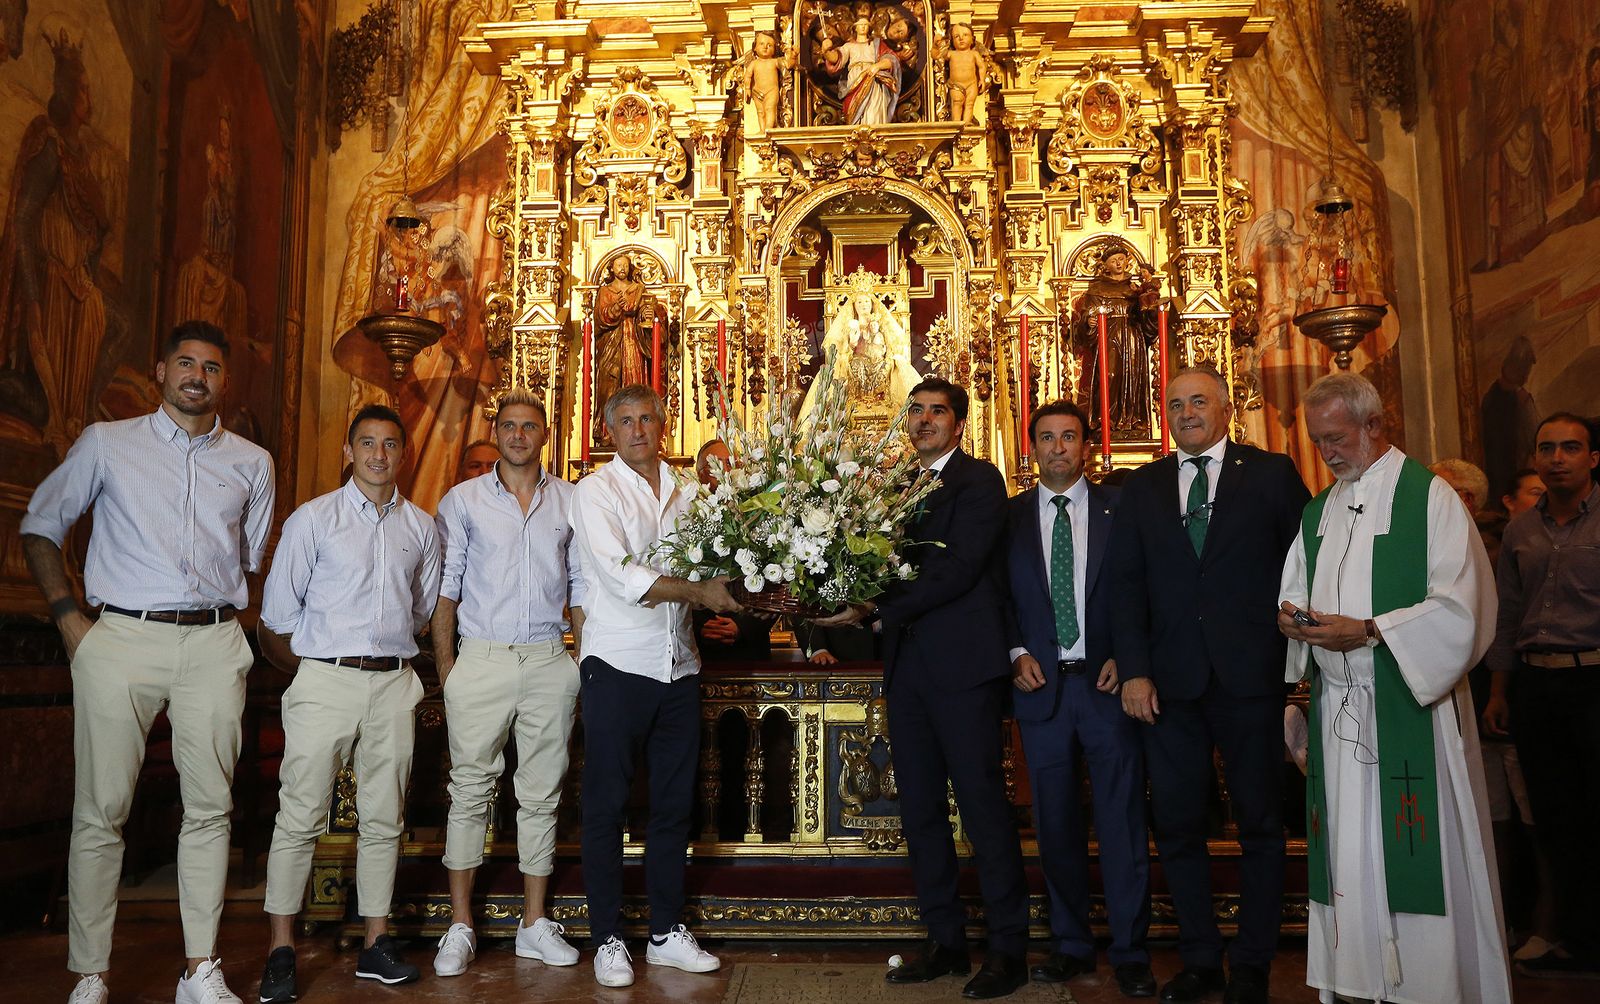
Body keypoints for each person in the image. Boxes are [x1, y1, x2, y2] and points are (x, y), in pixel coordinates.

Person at [21, 321, 274, 1004]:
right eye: (185, 363)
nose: (199, 376)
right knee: (101, 810)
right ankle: (91, 974)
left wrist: (235, 640)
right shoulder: (108, 443)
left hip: (214, 643)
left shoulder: (252, 462)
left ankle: (200, 971)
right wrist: (71, 619)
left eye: (212, 367)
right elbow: (42, 525)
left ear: (226, 379)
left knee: (211, 810)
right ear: (160, 372)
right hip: (121, 640)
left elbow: (250, 560)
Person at [1278, 372, 1510, 1003]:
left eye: (1337, 438)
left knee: (1413, 849)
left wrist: (1374, 630)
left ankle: (1429, 985)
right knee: (1350, 847)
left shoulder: (1430, 499)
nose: (1327, 453)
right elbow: (1294, 588)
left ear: (1375, 426)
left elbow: (1464, 607)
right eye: (1318, 440)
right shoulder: (1318, 510)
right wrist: (1292, 618)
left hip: (1412, 707)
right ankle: (1357, 979)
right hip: (1339, 712)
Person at [817, 377, 1030, 999]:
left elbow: (959, 568)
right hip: (907, 670)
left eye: (938, 411)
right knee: (921, 813)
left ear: (959, 424)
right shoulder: (891, 489)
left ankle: (1008, 950)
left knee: (984, 811)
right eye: (916, 410)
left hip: (964, 669)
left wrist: (877, 611)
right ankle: (945, 942)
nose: (925, 419)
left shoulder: (979, 480)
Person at [1108, 365, 1309, 1004]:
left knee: (1259, 823)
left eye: (1199, 401)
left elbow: (1306, 565)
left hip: (1251, 677)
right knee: (1177, 825)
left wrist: (1298, 663)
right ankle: (1199, 958)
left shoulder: (1272, 475)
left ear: (1226, 409)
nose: (1186, 411)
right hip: (1168, 684)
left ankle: (1251, 960)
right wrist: (1135, 670)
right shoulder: (1142, 487)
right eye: (1175, 403)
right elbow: (1125, 585)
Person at [256, 404, 442, 1001]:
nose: (378, 455)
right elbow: (277, 617)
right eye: (367, 443)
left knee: (384, 817)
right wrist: (320, 670)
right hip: (324, 678)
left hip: (391, 680)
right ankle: (281, 949)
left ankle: (375, 943)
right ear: (348, 450)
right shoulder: (312, 521)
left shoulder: (421, 528)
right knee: (300, 816)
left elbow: (420, 610)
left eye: (390, 445)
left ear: (403, 454)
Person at [569, 385, 740, 988]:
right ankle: (608, 940)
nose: (638, 429)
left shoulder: (690, 492)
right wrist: (700, 592)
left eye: (648, 418)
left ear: (663, 424)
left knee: (673, 807)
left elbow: (719, 558)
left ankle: (666, 933)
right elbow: (621, 576)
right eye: (626, 421)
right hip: (617, 664)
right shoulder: (595, 491)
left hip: (679, 666)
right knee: (607, 806)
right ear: (609, 430)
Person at [428, 391, 586, 977]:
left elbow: (581, 585)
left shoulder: (569, 501)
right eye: (509, 426)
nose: (519, 435)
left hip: (549, 658)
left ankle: (533, 924)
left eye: (530, 426)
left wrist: (581, 661)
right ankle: (460, 925)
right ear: (497, 432)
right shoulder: (463, 500)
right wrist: (448, 669)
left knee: (542, 794)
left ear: (546, 434)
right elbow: (446, 587)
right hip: (482, 658)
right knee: (469, 790)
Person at [1005, 400, 1154, 998]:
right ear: (1032, 447)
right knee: (1054, 825)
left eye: (1069, 437)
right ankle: (1069, 945)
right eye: (1047, 438)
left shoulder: (1123, 512)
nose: (1058, 447)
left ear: (1086, 446)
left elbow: (1143, 590)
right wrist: (1014, 652)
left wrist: (1131, 655)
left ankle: (1132, 951)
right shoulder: (1010, 518)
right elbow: (996, 597)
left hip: (1105, 688)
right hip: (1041, 689)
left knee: (1121, 821)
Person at [1483, 411, 1600, 980]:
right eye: (1547, 448)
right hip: (1536, 683)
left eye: (1570, 448)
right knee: (1556, 817)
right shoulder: (1522, 531)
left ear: (1592, 458)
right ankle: (1577, 939)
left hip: (1595, 680)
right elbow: (1506, 614)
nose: (1556, 458)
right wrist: (1500, 689)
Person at [1433, 461, 1559, 963]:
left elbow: (1503, 623)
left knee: (1538, 820)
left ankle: (1547, 924)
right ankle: (1496, 922)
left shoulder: (1498, 545)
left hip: (1512, 696)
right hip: (1467, 699)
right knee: (1490, 822)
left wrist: (1499, 692)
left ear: (1464, 498)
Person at [691, 440, 771, 662]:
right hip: (697, 648)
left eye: (730, 463)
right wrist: (699, 627)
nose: (726, 470)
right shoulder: (685, 515)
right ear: (701, 474)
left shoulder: (760, 513)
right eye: (717, 464)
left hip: (751, 648)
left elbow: (777, 577)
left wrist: (742, 626)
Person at [1072, 247, 1163, 436]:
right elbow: (1085, 318)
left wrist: (1151, 311)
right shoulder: (1096, 289)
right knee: (1110, 374)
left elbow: (1146, 318)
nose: (1119, 263)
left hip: (1132, 336)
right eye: (1114, 260)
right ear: (1105, 265)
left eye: (1121, 259)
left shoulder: (1135, 289)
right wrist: (1089, 321)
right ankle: (1107, 419)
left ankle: (1133, 419)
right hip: (1109, 337)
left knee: (1133, 375)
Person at [592, 254, 656, 445]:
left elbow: (649, 316)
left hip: (633, 342)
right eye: (618, 265)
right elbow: (599, 319)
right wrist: (614, 310)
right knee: (608, 387)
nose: (622, 269)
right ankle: (607, 432)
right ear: (612, 268)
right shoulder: (605, 291)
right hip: (611, 344)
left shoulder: (638, 289)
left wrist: (647, 314)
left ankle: (639, 430)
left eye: (625, 265)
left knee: (634, 383)